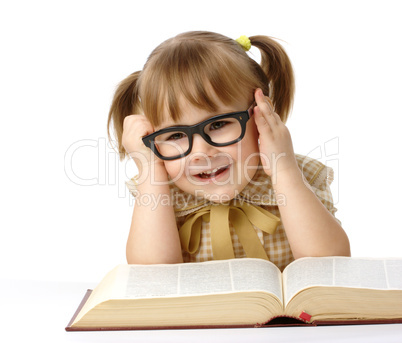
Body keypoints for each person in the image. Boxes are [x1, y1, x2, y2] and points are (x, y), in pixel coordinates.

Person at [107, 31, 350, 270]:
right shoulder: (161, 190)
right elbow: (150, 276)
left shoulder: (299, 174)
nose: (202, 151)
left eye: (218, 124)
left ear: (261, 113)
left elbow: (330, 265)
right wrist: (150, 168)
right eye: (176, 135)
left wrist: (284, 170)